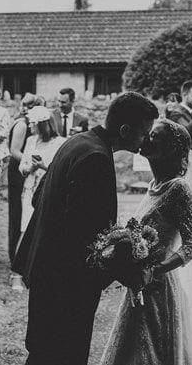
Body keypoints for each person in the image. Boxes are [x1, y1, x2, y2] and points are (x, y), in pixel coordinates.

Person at [21, 92, 159, 365]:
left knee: (41, 353)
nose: (146, 141)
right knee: (64, 354)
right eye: (144, 133)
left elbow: (40, 198)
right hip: (67, 284)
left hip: (45, 270)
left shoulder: (77, 142)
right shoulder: (96, 158)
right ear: (125, 130)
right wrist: (124, 266)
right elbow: (83, 235)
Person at [100, 120, 192, 365]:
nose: (146, 138)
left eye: (154, 136)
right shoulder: (153, 185)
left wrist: (152, 270)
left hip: (158, 288)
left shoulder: (179, 189)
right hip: (139, 285)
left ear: (169, 149)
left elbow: (191, 247)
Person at [6, 93, 42, 290]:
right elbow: (14, 151)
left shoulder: (30, 122)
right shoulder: (22, 124)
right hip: (19, 172)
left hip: (27, 169)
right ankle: (15, 256)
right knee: (18, 214)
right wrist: (30, 161)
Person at [18, 106, 66, 245]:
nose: (29, 125)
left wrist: (43, 166)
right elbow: (22, 167)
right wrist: (31, 167)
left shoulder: (59, 142)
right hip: (29, 190)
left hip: (48, 189)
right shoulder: (30, 141)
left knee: (44, 229)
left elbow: (60, 169)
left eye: (32, 122)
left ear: (41, 124)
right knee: (26, 228)